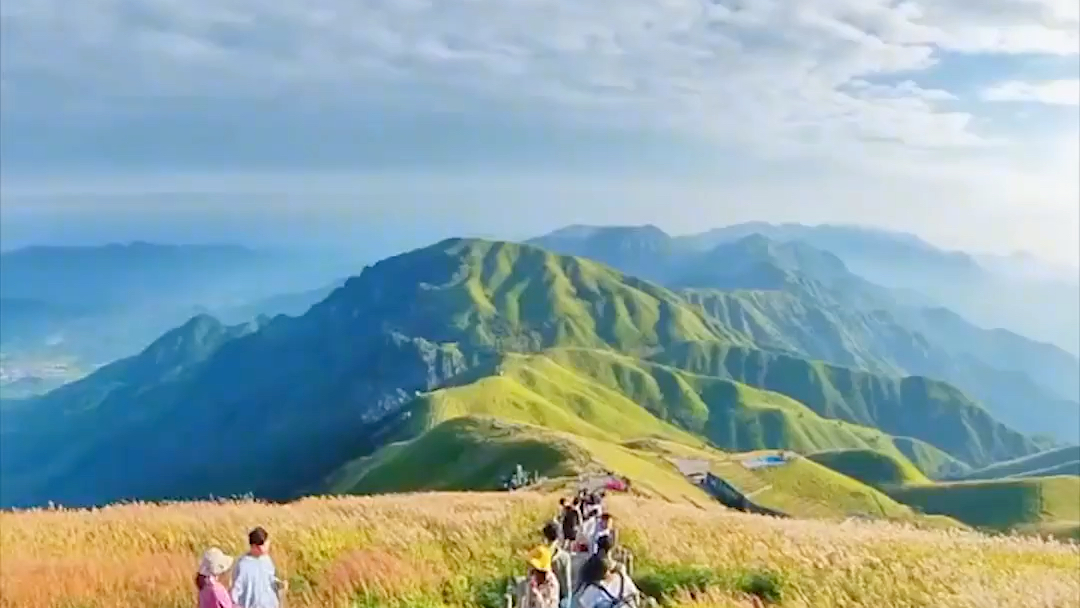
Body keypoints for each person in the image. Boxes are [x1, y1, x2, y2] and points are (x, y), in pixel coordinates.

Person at [231, 527, 286, 608]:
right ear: (254, 546)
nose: (267, 547)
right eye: (264, 545)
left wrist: (279, 584)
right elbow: (235, 592)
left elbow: (270, 579)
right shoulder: (242, 565)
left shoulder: (267, 559)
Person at [542, 522, 573, 608]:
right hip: (558, 598)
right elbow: (567, 583)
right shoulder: (564, 557)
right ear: (559, 537)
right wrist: (567, 600)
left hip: (541, 598)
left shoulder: (539, 555)